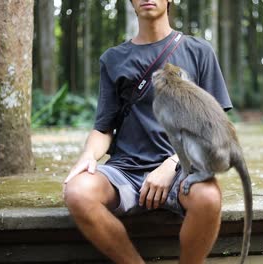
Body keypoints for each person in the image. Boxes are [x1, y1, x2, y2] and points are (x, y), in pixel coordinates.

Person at [62, 0, 232, 263]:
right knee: (77, 191)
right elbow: (103, 128)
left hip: (182, 168)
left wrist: (172, 165)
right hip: (125, 170)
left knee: (209, 197)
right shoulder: (113, 58)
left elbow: (214, 129)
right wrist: (88, 156)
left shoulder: (199, 51)